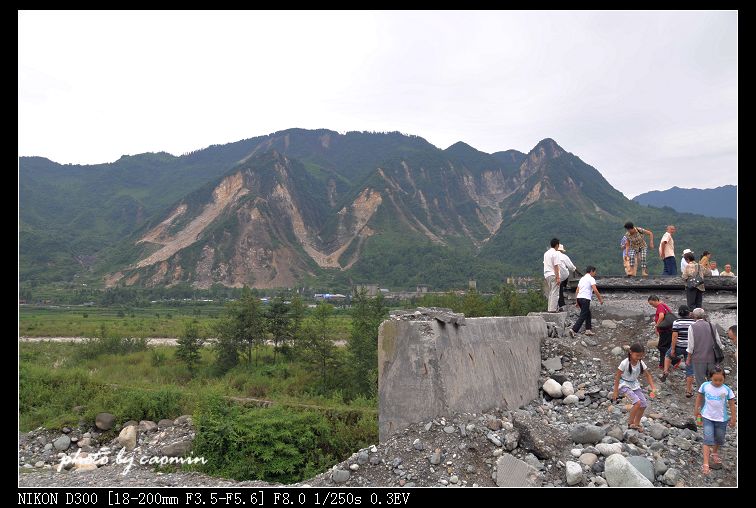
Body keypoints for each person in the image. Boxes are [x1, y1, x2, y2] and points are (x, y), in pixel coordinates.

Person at [694, 366, 736, 475]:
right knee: (708, 439)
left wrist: (733, 418)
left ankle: (715, 452)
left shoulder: (726, 390)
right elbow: (699, 396)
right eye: (715, 380)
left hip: (722, 419)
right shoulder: (705, 386)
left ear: (724, 379)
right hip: (707, 416)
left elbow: (732, 403)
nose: (717, 382)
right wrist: (697, 409)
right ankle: (706, 463)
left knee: (719, 438)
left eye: (720, 380)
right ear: (710, 378)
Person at [613, 343, 657, 432]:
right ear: (630, 352)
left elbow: (648, 375)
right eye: (637, 355)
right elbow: (617, 376)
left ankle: (637, 424)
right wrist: (615, 391)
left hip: (634, 385)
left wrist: (653, 388)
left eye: (641, 356)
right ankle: (630, 424)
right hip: (624, 385)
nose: (639, 358)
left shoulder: (640, 362)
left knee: (643, 404)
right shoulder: (624, 363)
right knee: (637, 402)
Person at [660, 305, 696, 397]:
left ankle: (665, 371)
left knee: (668, 356)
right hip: (690, 349)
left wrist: (672, 349)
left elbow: (674, 336)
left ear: (679, 313)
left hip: (679, 346)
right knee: (690, 370)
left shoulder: (676, 322)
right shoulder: (694, 323)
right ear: (689, 313)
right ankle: (688, 391)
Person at [687, 307, 725, 390]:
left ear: (694, 316)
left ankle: (703, 401)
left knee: (700, 382)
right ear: (704, 316)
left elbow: (691, 346)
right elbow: (718, 342)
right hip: (712, 358)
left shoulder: (692, 327)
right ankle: (714, 399)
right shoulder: (712, 326)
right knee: (713, 380)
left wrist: (689, 358)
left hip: (698, 358)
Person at [568, 266, 604, 337]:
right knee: (583, 315)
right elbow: (595, 290)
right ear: (591, 271)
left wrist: (577, 301)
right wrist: (600, 299)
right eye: (594, 272)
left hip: (579, 298)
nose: (595, 273)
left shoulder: (582, 279)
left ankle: (588, 330)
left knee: (588, 313)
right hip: (585, 299)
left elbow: (577, 290)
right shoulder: (591, 279)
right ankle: (573, 330)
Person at [647, 295, 674, 369]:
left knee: (661, 346)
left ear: (655, 300)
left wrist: (657, 325)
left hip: (665, 331)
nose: (652, 306)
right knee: (666, 347)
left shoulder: (660, 306)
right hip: (669, 330)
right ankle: (663, 364)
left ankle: (675, 360)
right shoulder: (664, 305)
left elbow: (661, 316)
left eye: (652, 304)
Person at [557, 244, 578, 311]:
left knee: (557, 290)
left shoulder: (551, 256)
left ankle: (558, 305)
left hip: (553, 275)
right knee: (565, 276)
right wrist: (575, 270)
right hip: (562, 276)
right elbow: (571, 267)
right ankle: (564, 285)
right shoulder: (563, 256)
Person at [543, 238, 561, 312]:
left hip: (547, 274)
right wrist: (558, 277)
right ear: (557, 245)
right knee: (555, 292)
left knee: (551, 292)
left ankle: (549, 308)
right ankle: (553, 309)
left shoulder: (546, 253)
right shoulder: (556, 253)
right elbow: (556, 266)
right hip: (553, 274)